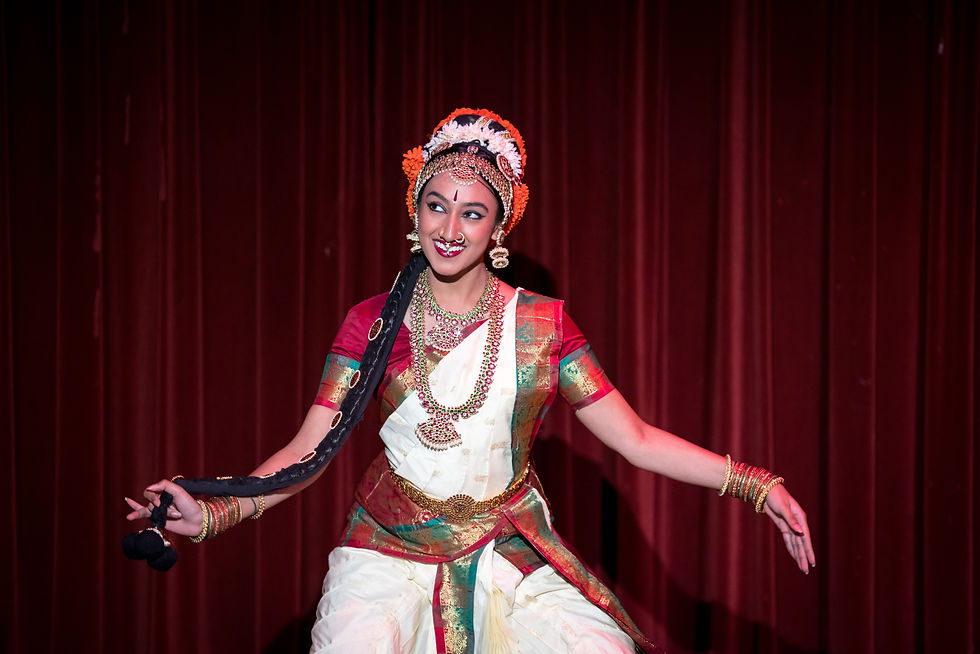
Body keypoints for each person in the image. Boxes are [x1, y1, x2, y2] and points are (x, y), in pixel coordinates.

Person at [125, 108, 815, 653]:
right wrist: (217, 512)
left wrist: (756, 486)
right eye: (437, 205)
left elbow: (634, 439)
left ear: (498, 227)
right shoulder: (372, 322)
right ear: (415, 209)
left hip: (505, 546)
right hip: (387, 553)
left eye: (472, 212)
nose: (450, 228)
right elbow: (309, 451)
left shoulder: (541, 327)